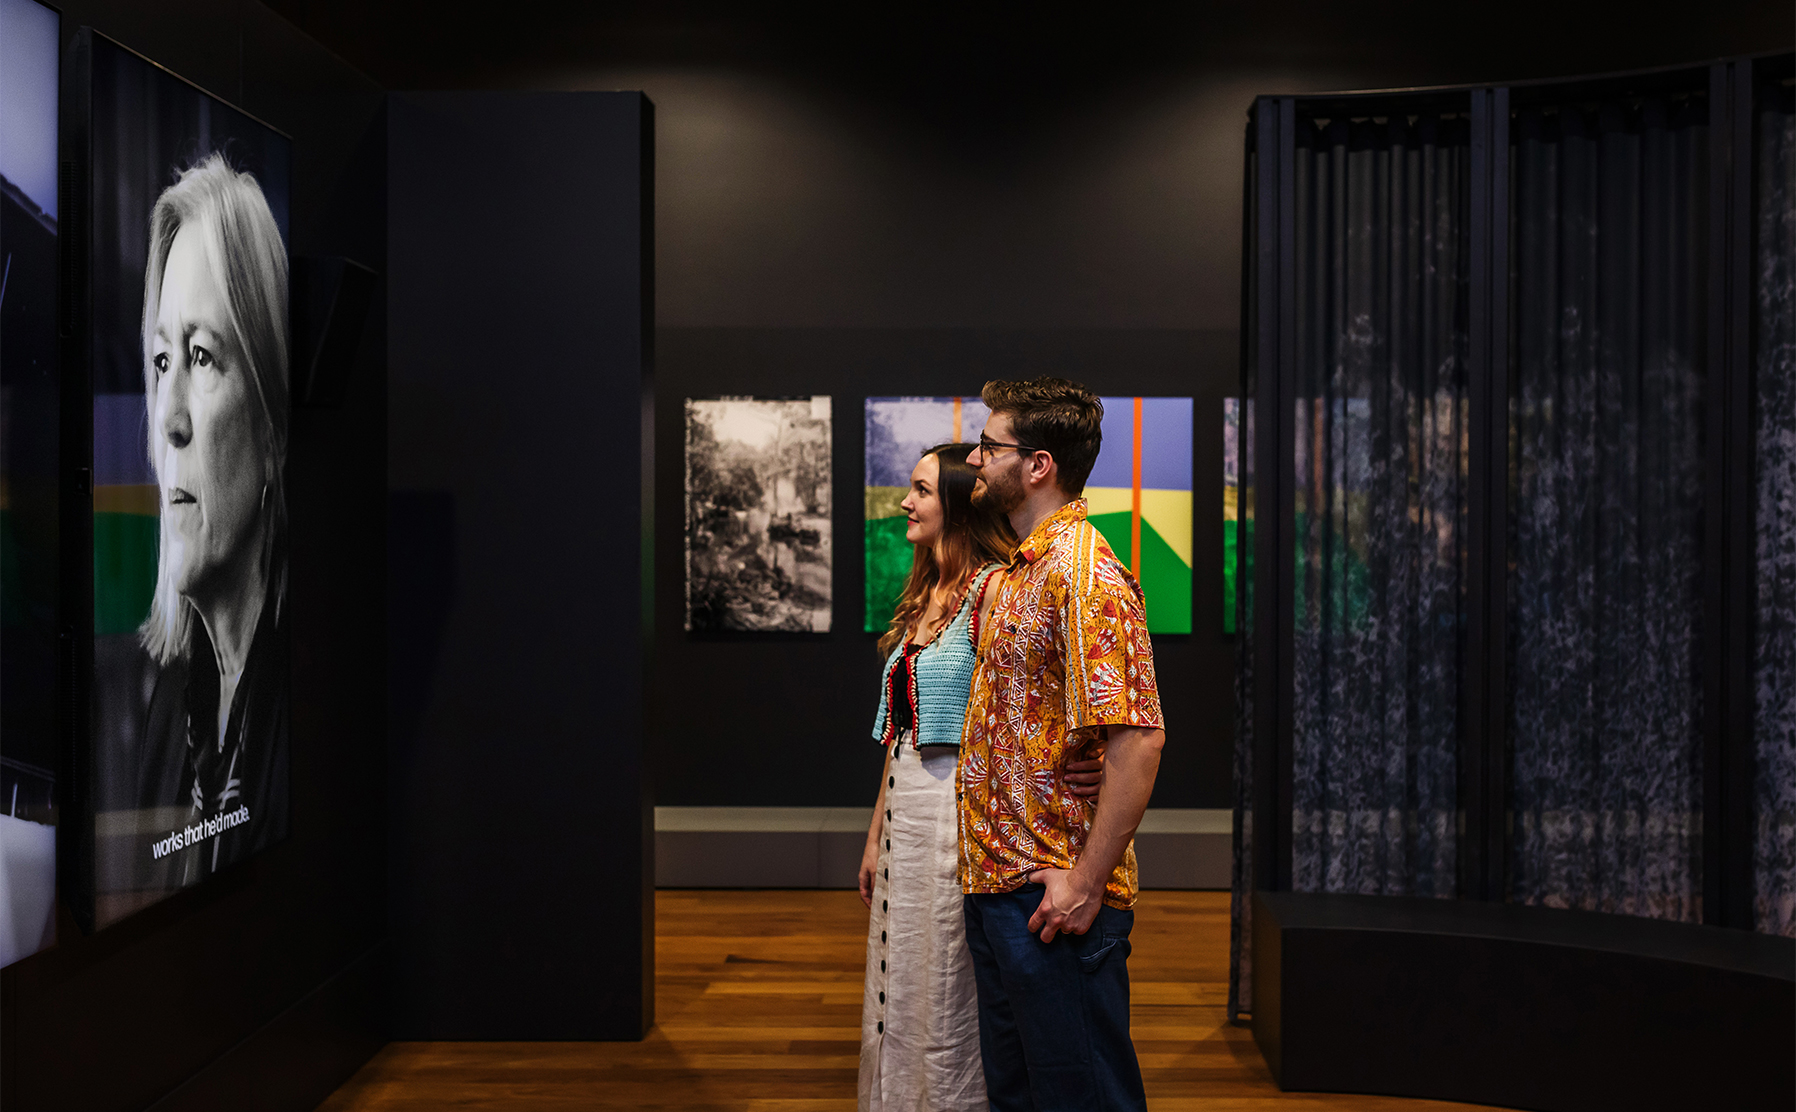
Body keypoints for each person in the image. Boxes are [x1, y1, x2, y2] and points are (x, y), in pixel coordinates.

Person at [856, 443, 1102, 1112]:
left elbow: (1029, 698)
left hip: (957, 809)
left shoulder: (992, 589)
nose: (906, 501)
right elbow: (902, 732)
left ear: (959, 504)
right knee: (900, 968)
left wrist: (1086, 754)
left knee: (947, 976)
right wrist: (876, 831)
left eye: (921, 490)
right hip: (908, 805)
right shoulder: (920, 596)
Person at [959, 378, 1165, 1112]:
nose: (976, 460)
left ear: (1038, 464)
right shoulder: (1022, 569)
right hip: (1001, 888)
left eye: (991, 446)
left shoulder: (1086, 574)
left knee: (1085, 1099)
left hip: (1053, 897)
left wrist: (1084, 882)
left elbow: (1139, 738)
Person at [129, 152, 291, 890]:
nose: (168, 418)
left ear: (271, 426)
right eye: (163, 362)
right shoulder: (163, 715)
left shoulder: (308, 720)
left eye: (201, 355)